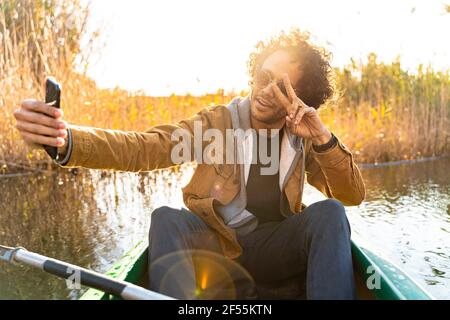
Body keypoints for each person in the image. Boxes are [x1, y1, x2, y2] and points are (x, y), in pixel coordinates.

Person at [13, 29, 365, 299]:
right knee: (166, 219)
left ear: (299, 97)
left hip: (276, 248)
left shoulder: (303, 136)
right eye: (262, 75)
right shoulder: (215, 124)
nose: (263, 89)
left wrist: (321, 137)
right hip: (218, 251)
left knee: (330, 213)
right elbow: (145, 148)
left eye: (279, 85)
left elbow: (351, 194)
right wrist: (65, 140)